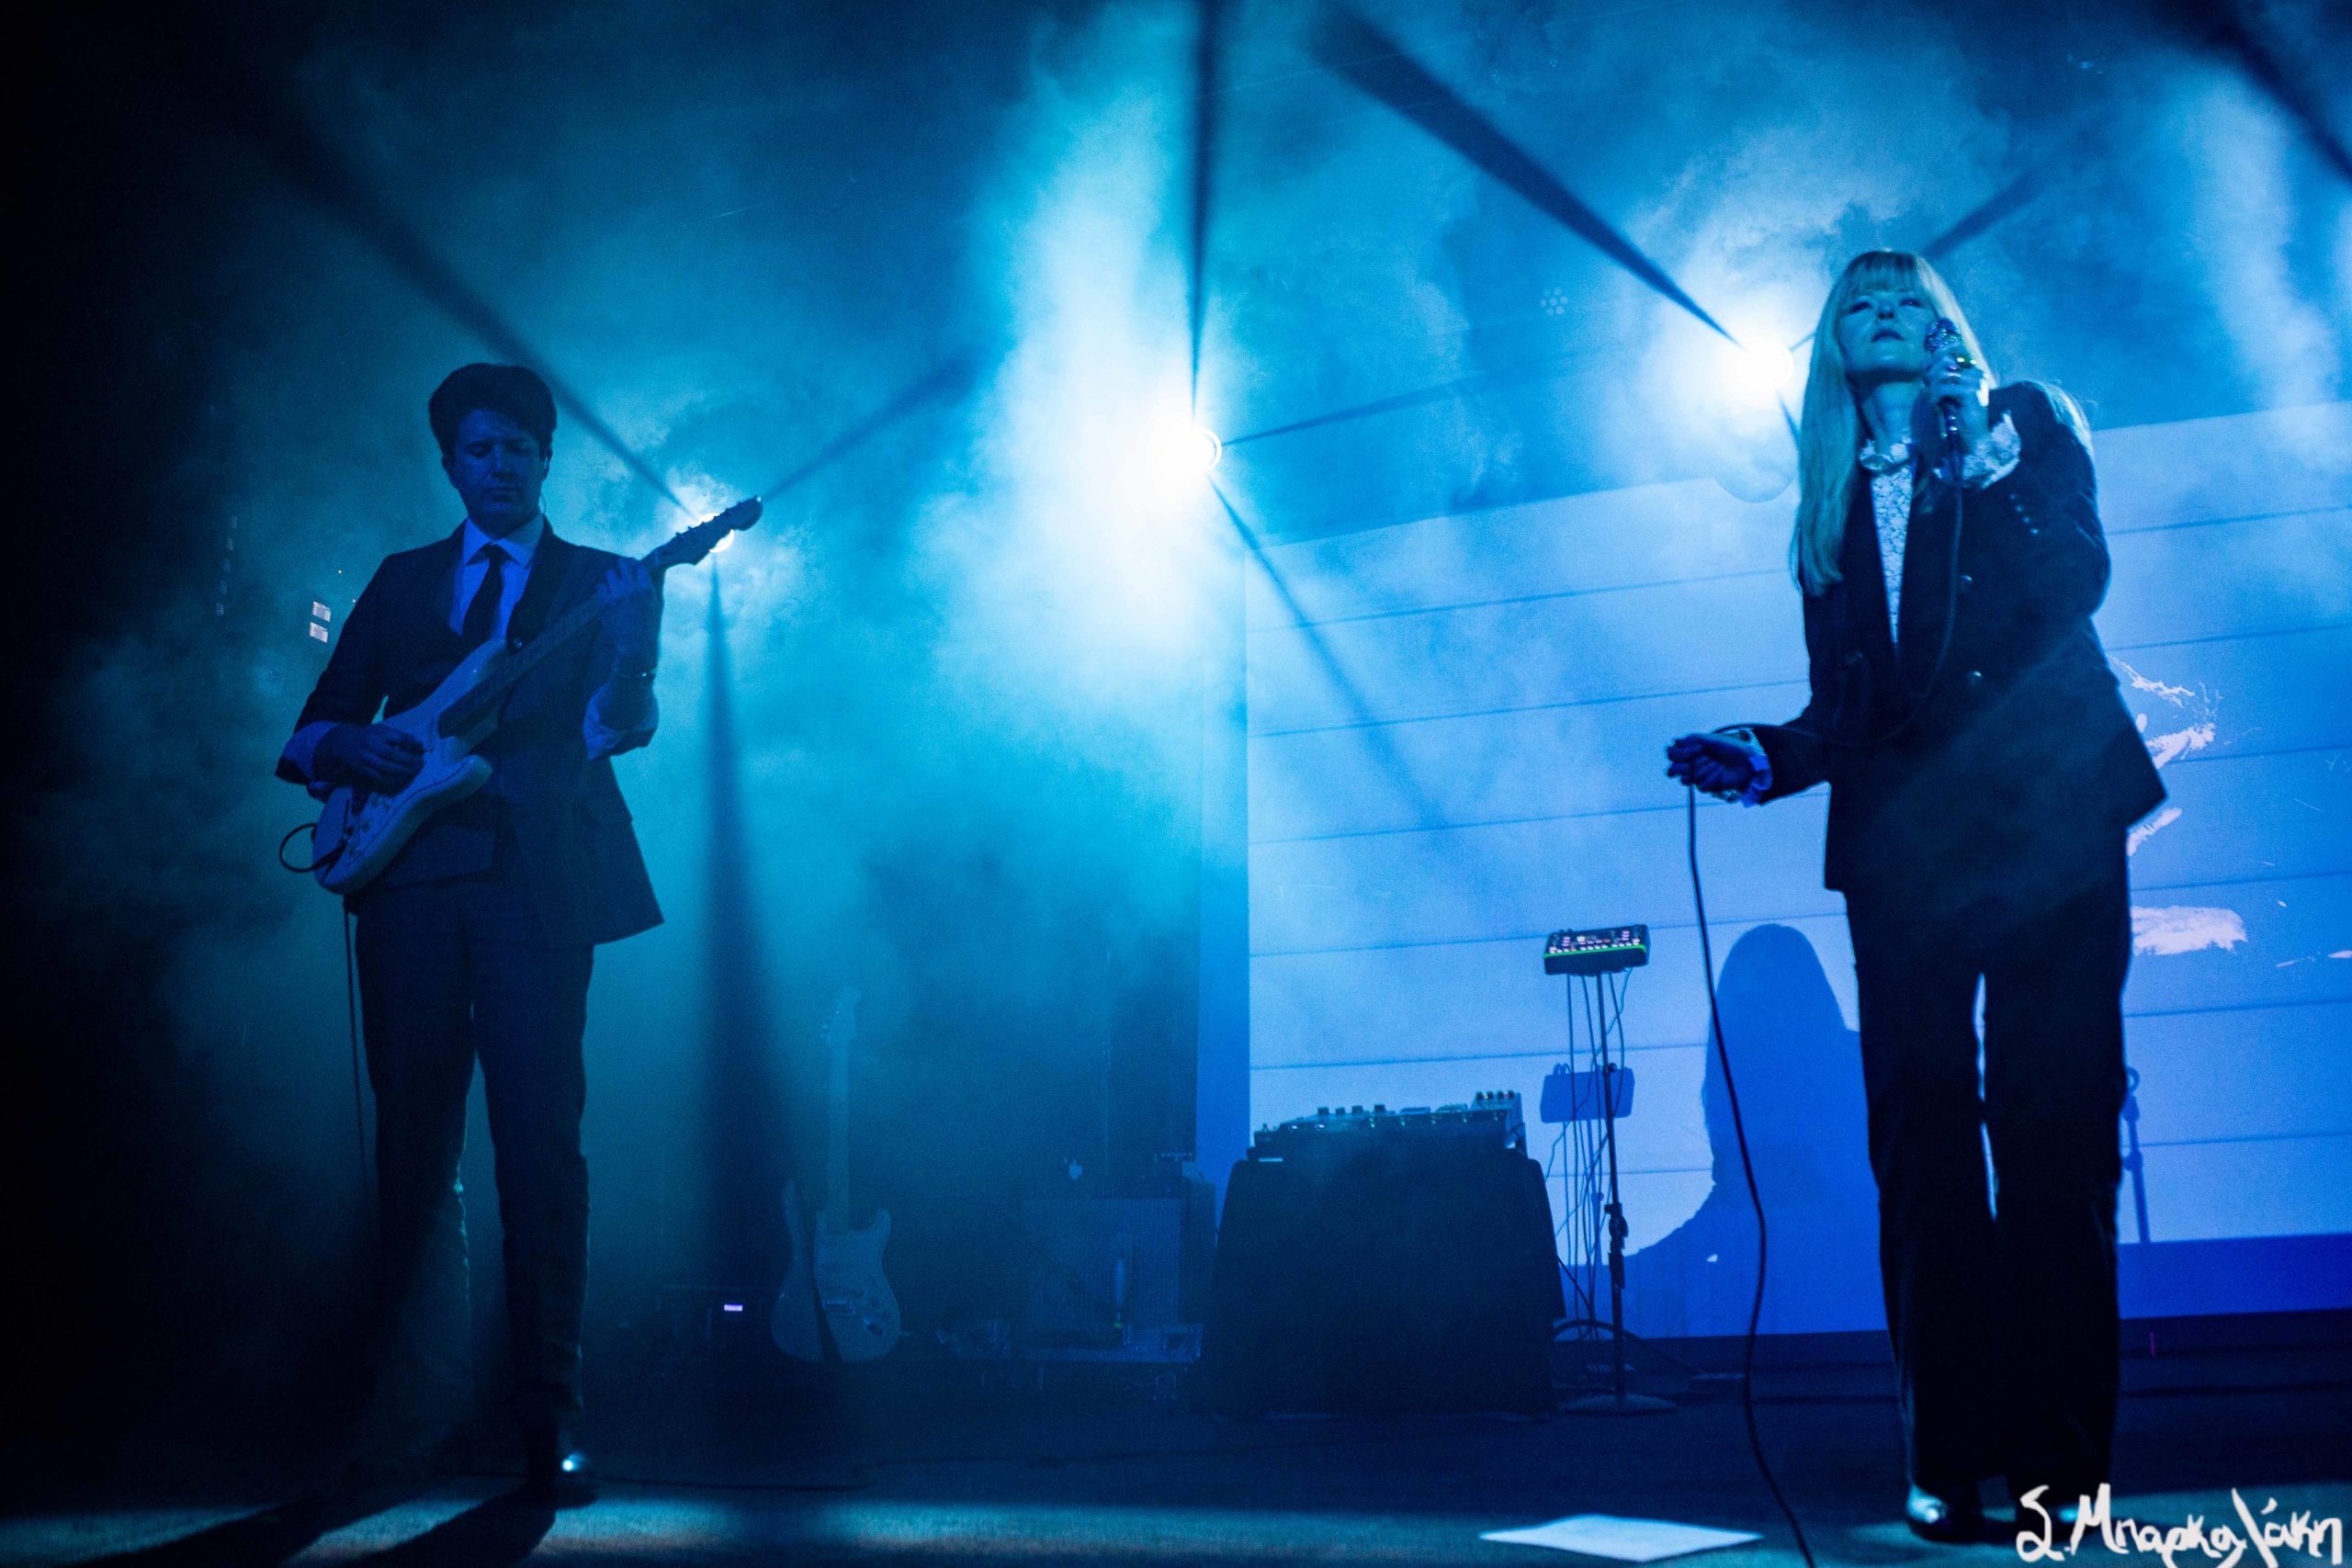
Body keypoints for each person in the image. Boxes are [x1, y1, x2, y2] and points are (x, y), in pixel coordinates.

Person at [1665, 252, 2163, 1540]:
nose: (1885, 313)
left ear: (1946, 328)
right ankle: (1947, 1454)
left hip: (2054, 832)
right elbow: (1851, 711)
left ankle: (2061, 1475)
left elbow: (2077, 585)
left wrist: (1983, 458)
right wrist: (1769, 754)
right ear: (1833, 345)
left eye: (1908, 299)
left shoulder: (2024, 422)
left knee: (2055, 1145)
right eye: (1860, 302)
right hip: (1907, 858)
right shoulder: (1827, 509)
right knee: (1924, 1155)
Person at [278, 363, 665, 1506]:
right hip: (405, 891)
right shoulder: (402, 580)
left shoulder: (599, 582)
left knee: (542, 1154)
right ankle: (407, 1424)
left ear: (547, 458)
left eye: (518, 448)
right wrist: (354, 748)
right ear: (450, 465)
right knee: (414, 1159)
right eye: (479, 449)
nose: (500, 466)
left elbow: (614, 730)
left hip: (536, 890)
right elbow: (309, 732)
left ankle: (548, 1425)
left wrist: (635, 650)